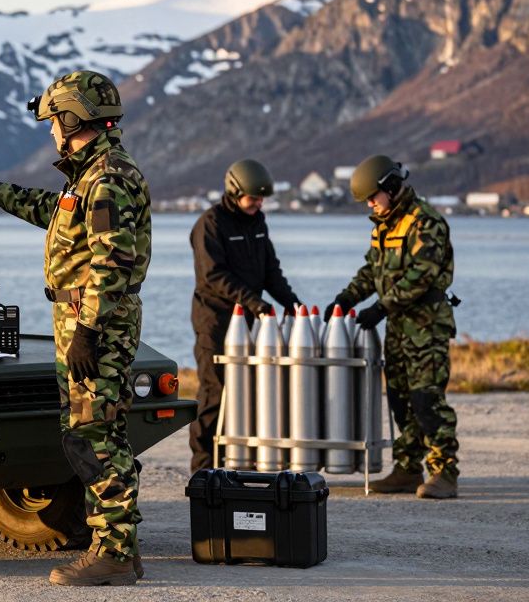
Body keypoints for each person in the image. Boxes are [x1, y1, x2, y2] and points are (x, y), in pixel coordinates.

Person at [0, 70, 151, 586]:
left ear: (73, 119)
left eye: (54, 119)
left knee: (94, 438)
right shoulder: (92, 174)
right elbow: (58, 214)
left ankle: (113, 553)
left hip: (97, 322)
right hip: (87, 317)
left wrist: (88, 331)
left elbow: (111, 262)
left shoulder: (108, 177)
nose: (50, 130)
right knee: (101, 433)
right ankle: (121, 550)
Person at [325, 154, 459, 499]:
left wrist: (381, 307)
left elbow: (421, 275)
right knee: (401, 401)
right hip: (398, 330)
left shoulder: (425, 222)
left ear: (390, 187)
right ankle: (408, 468)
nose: (370, 204)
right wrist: (346, 298)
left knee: (427, 400)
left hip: (426, 328)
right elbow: (372, 271)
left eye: (373, 196)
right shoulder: (385, 226)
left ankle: (444, 472)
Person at [187, 159, 301, 473]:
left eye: (262, 199)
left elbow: (270, 272)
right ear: (235, 191)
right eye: (253, 198)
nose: (258, 204)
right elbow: (213, 276)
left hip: (250, 322)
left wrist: (292, 303)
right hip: (215, 321)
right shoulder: (210, 224)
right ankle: (204, 466)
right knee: (215, 392)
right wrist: (253, 302)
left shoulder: (258, 223)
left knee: (251, 391)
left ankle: (241, 460)